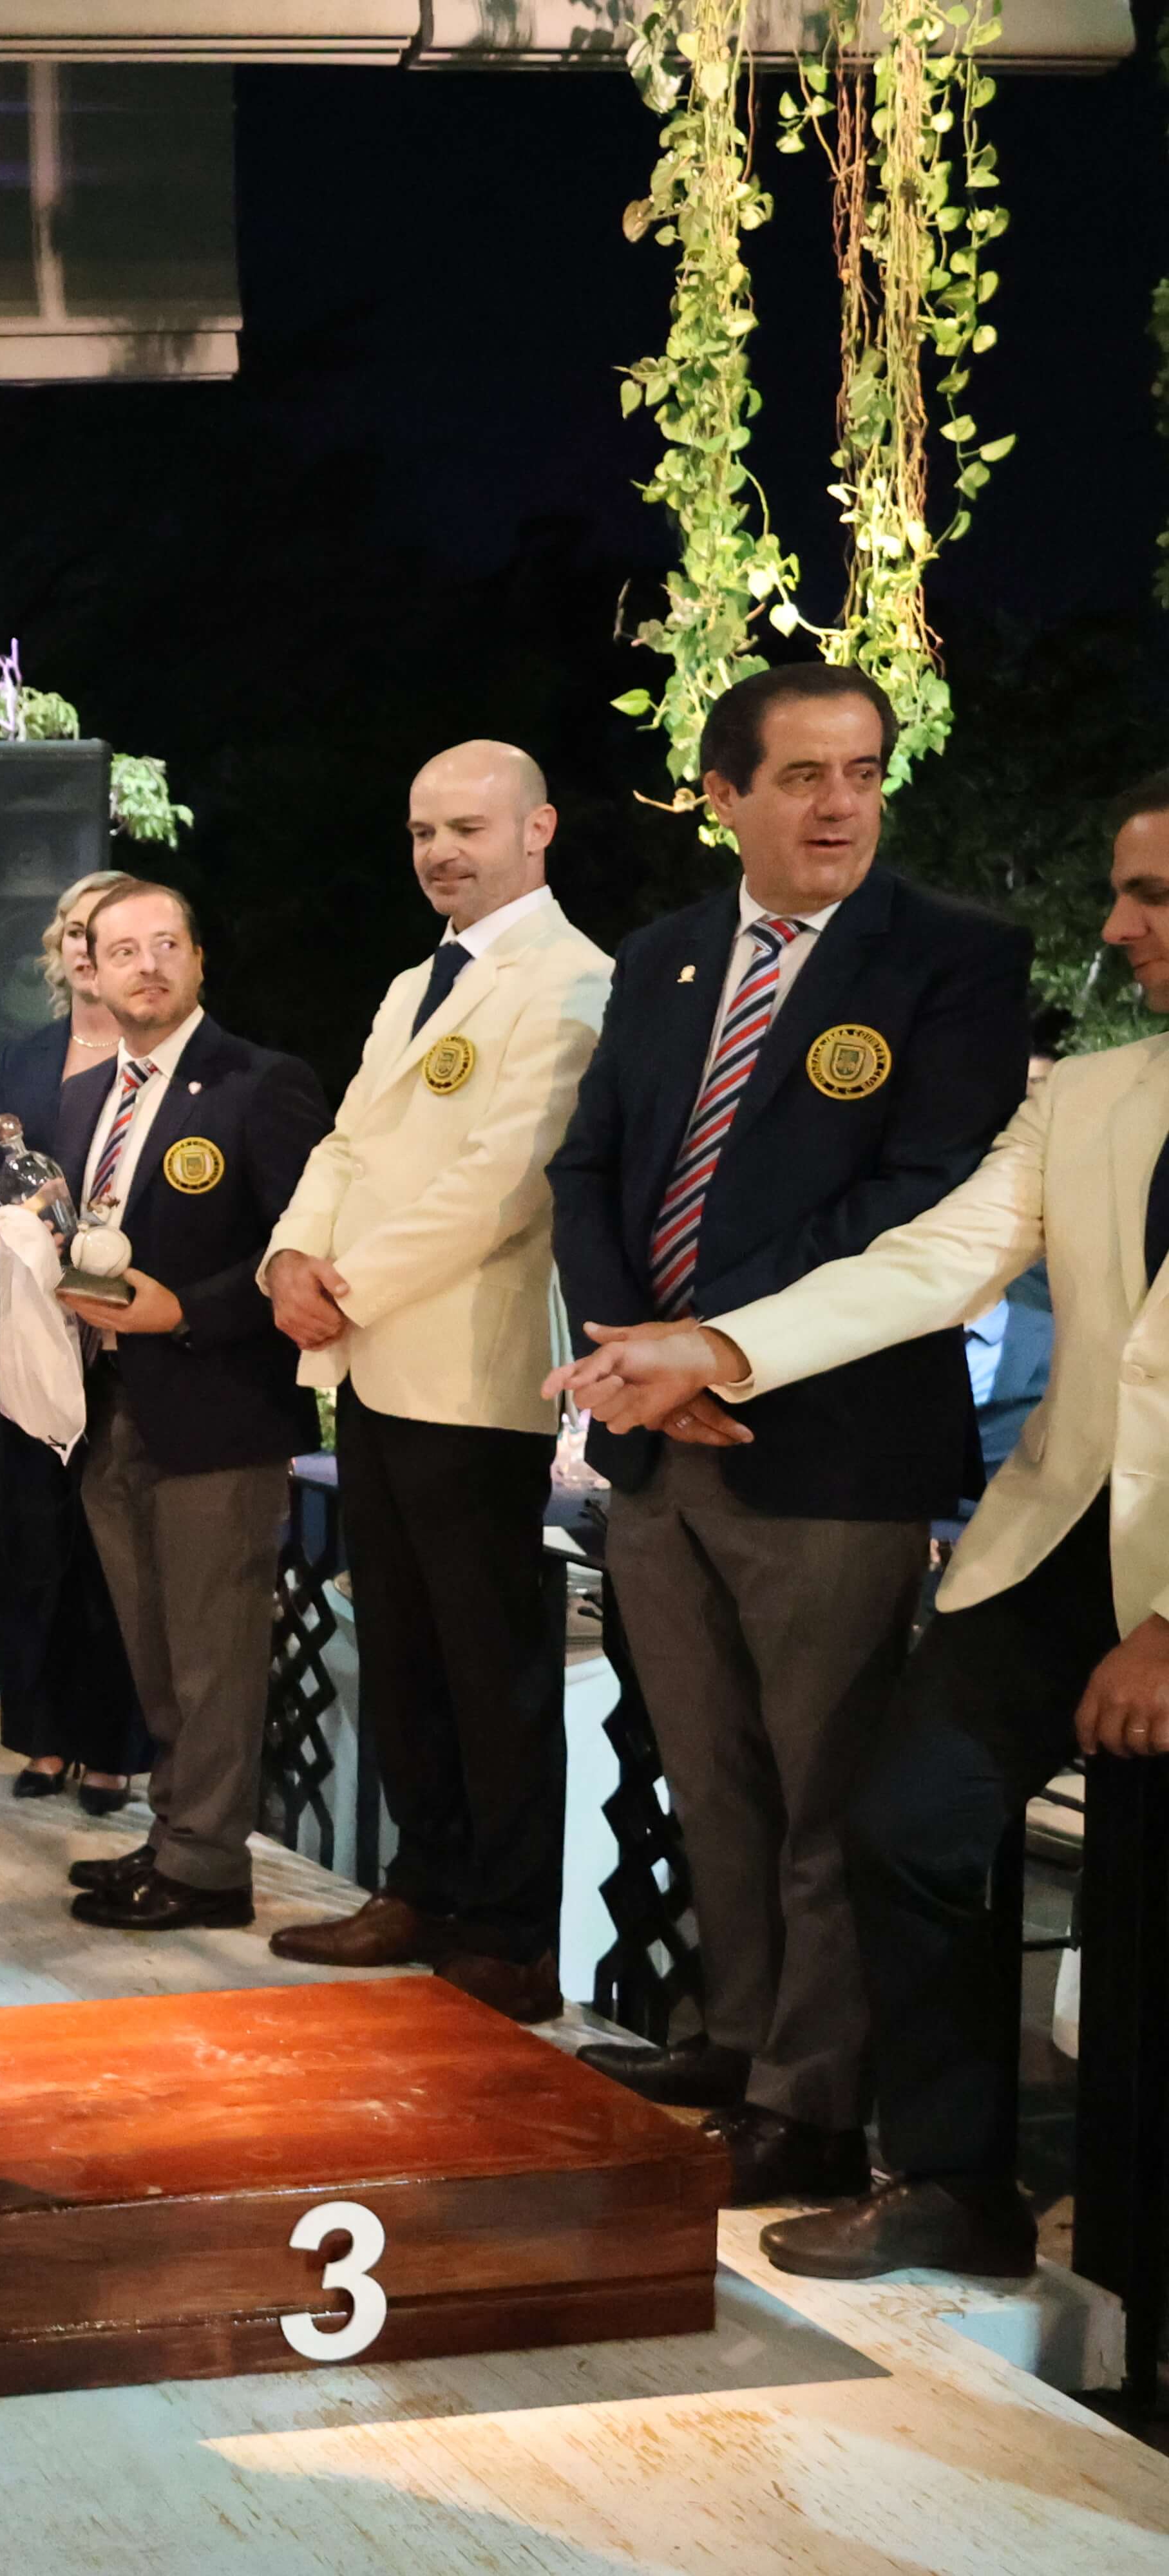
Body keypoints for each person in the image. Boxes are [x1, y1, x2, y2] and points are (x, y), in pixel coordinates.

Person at [546, 775, 1169, 2280]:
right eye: (1121, 887)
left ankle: (1135, 2288)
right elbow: (935, 1258)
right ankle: (953, 2185)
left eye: (1151, 895)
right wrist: (717, 1347)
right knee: (906, 1822)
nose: (1114, 925)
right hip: (1058, 1540)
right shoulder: (1095, 1092)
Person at [542, 663, 1029, 2206]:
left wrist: (713, 1351)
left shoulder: (953, 956)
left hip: (830, 1447)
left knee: (828, 1790)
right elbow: (588, 1170)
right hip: (658, 1446)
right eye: (805, 775)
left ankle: (811, 2105)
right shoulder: (666, 955)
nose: (840, 805)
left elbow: (916, 1199)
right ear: (724, 796)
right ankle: (736, 2036)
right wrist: (641, 1355)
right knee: (710, 1773)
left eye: (864, 773)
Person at [259, 743, 614, 2021]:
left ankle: (511, 1931)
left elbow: (508, 1182)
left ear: (538, 829)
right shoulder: (418, 980)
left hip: (470, 1368)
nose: (441, 852)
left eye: (468, 827)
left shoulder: (575, 979)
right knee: (404, 1648)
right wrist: (290, 1254)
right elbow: (348, 1141)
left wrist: (345, 1282)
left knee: (488, 1663)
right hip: (375, 1362)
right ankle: (424, 1881)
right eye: (423, 832)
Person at [52, 879, 330, 1934]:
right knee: (158, 1651)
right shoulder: (90, 1096)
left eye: (168, 944)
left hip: (219, 1411)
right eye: (125, 950)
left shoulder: (261, 1083)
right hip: (107, 1405)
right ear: (92, 969)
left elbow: (303, 1246)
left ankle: (209, 1868)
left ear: (200, 959)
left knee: (214, 1658)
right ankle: (177, 1834)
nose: (148, 966)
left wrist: (186, 1314)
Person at [0, 872, 155, 1815]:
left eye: (105, 933)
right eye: (76, 931)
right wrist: (15, 1245)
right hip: (31, 1343)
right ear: (59, 947)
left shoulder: (158, 1063)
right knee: (30, 1543)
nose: (87, 948)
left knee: (107, 1554)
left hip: (123, 1339)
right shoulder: (26, 1057)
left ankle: (111, 1751)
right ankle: (42, 1737)